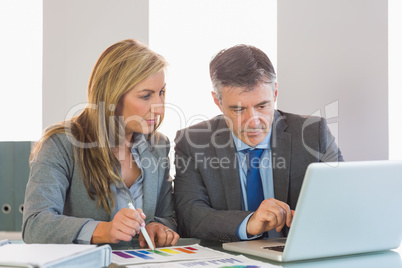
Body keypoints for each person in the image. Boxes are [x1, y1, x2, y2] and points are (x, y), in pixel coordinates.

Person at [174, 44, 343, 242]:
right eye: (238, 110)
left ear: (275, 93)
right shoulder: (193, 143)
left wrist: (318, 218)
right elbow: (190, 217)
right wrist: (248, 222)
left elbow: (343, 200)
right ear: (217, 101)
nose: (253, 121)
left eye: (262, 106)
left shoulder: (314, 134)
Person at [22, 39, 179, 248]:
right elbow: (35, 225)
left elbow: (168, 216)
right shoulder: (61, 144)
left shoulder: (159, 146)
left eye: (161, 93)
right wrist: (103, 230)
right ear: (112, 96)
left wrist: (158, 226)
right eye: (146, 96)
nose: (159, 108)